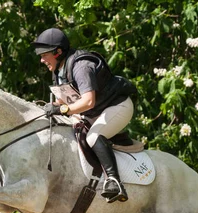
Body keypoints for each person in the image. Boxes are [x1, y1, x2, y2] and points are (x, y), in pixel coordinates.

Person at [32, 27, 137, 203]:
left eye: (44, 55)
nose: (42, 60)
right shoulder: (58, 71)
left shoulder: (81, 66)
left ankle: (114, 181)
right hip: (94, 111)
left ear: (58, 52)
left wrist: (63, 110)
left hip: (117, 106)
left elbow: (88, 101)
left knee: (94, 136)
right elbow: (64, 101)